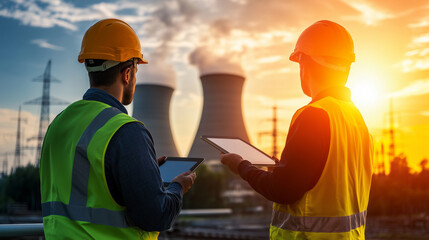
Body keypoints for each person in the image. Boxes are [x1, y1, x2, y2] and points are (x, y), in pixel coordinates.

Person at [40, 18, 196, 239]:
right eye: (136, 70)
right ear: (127, 73)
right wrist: (177, 187)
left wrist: (145, 172)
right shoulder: (125, 131)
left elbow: (88, 188)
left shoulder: (58, 125)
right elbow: (156, 216)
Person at [221, 20, 374, 239]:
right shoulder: (357, 121)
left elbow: (282, 190)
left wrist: (242, 166)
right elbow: (322, 182)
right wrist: (282, 168)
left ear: (306, 63)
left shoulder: (315, 116)